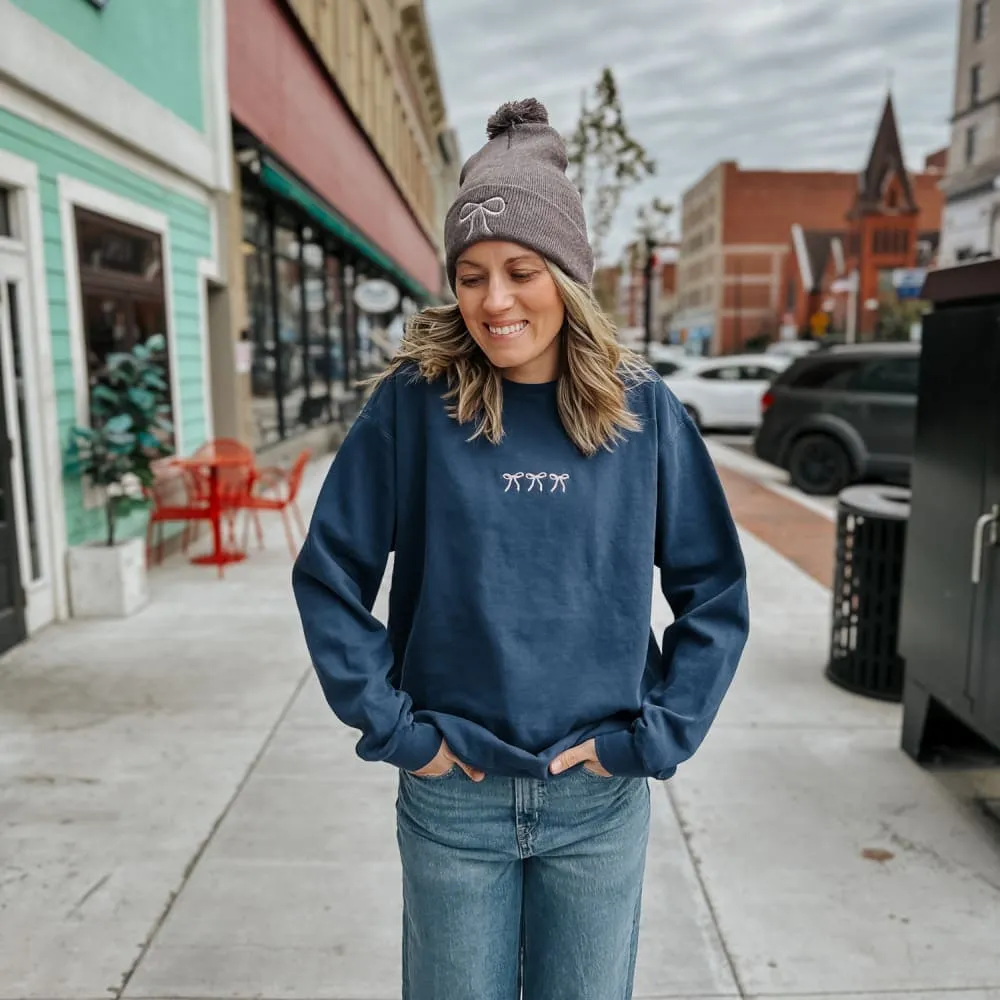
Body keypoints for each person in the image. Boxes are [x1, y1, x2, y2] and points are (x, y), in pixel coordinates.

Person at [292, 98, 750, 1000]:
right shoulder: (415, 408)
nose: (494, 301)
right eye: (470, 276)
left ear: (568, 276)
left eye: (520, 270)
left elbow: (714, 592)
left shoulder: (641, 413)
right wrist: (397, 732)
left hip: (598, 799)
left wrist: (655, 738)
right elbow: (330, 575)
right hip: (452, 796)